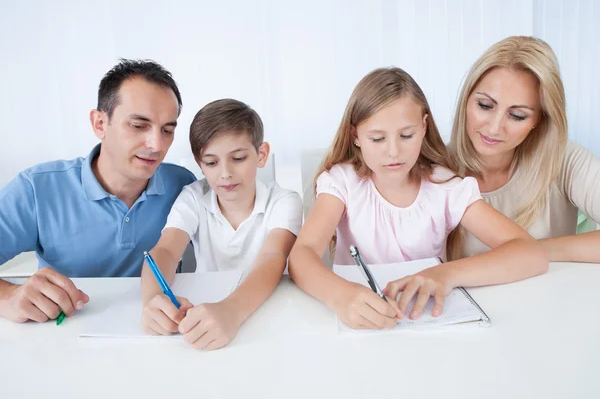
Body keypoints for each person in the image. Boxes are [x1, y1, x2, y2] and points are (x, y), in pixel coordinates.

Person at [288, 67, 547, 330]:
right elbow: (302, 255)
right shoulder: (343, 182)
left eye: (406, 135)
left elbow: (530, 254)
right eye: (377, 138)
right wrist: (341, 296)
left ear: (424, 127)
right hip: (362, 330)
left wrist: (446, 274)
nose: (393, 151)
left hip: (428, 326)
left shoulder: (445, 187)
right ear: (355, 136)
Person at [0, 59, 196, 323]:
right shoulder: (36, 189)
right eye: (138, 125)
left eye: (167, 130)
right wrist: (8, 297)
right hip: (61, 335)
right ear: (100, 124)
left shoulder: (182, 183)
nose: (156, 145)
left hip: (157, 334)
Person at [141, 99, 303, 350]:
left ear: (261, 155)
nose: (225, 173)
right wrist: (153, 299)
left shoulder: (284, 201)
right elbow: (166, 250)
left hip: (271, 314)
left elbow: (273, 258)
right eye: (212, 163)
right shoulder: (193, 197)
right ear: (199, 163)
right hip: (207, 313)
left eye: (238, 158)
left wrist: (231, 310)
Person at [448, 36, 600, 263]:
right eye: (485, 105)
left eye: (517, 115)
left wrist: (523, 252)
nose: (494, 127)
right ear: (466, 99)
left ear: (539, 119)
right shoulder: (434, 169)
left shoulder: (564, 159)